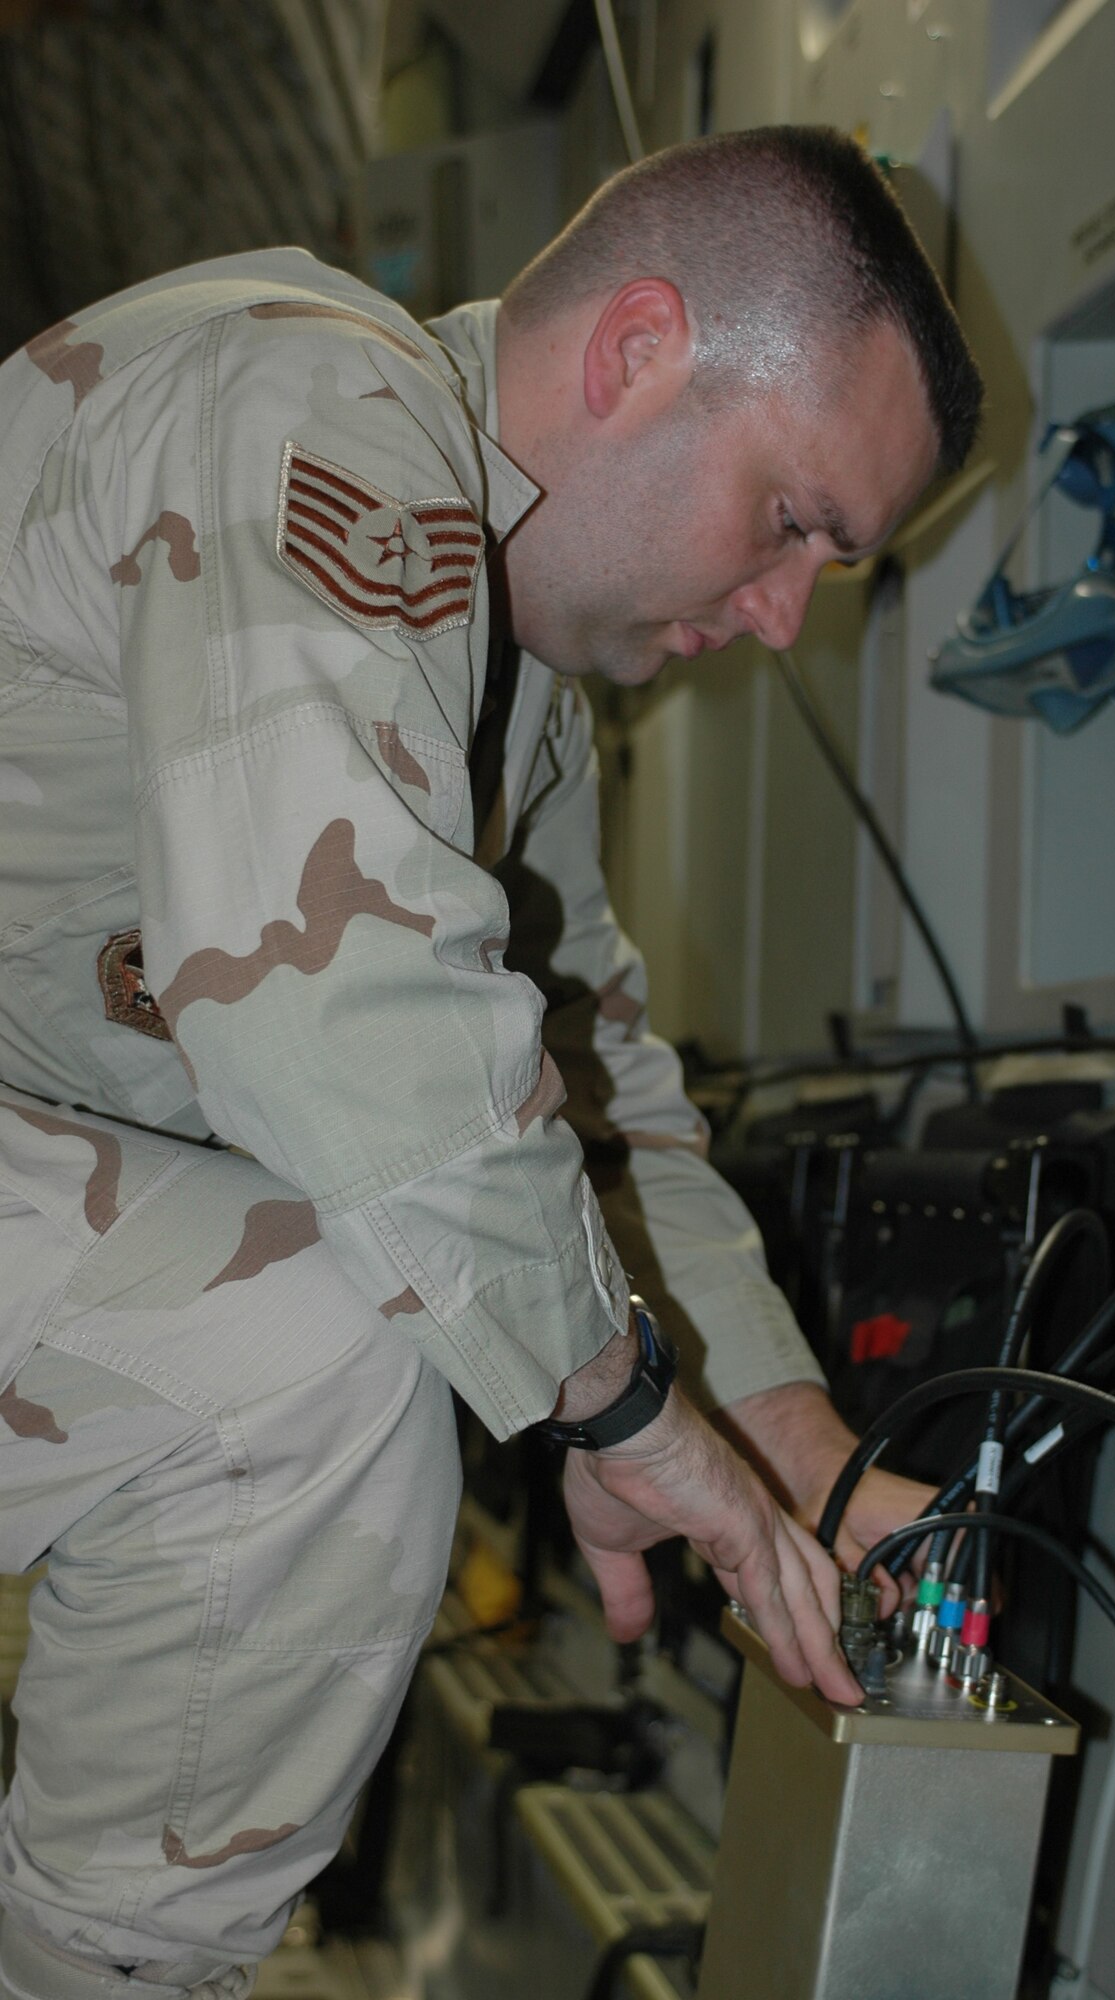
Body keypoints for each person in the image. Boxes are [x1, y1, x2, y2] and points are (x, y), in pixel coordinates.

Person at [0, 124, 981, 1997]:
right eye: (794, 523)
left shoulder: (507, 712)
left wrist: (789, 1455)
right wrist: (620, 1415)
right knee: (301, 1353)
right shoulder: (323, 400)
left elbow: (589, 1093)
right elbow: (328, 1007)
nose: (782, 618)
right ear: (633, 357)